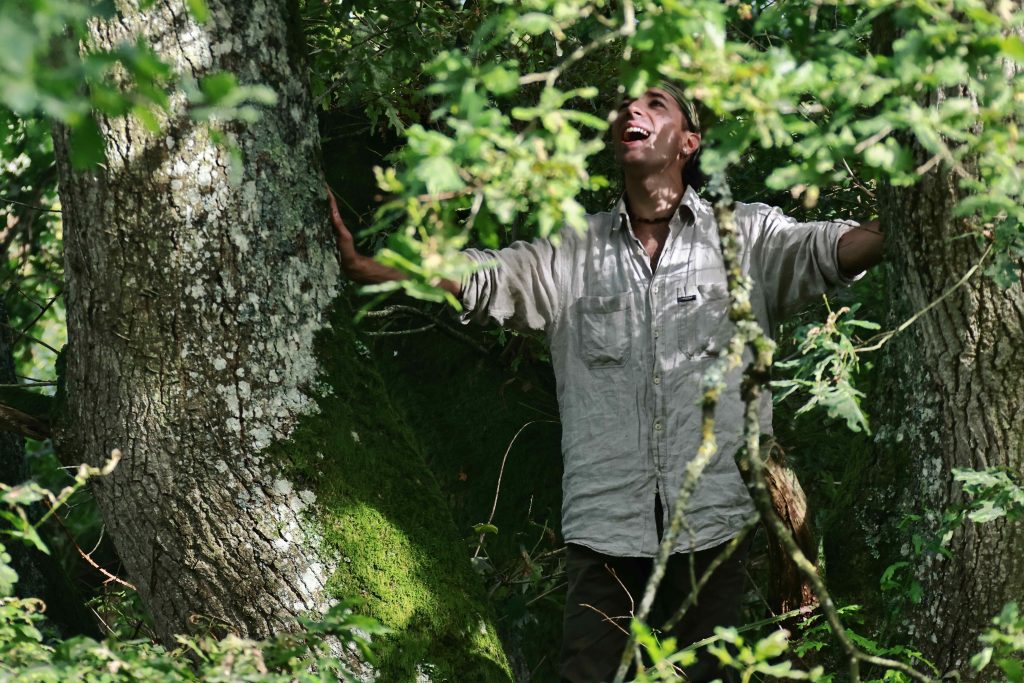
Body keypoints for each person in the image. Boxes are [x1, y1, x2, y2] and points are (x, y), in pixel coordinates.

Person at [328, 83, 883, 682]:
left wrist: (924, 207)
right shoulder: (573, 250)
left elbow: (830, 248)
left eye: (655, 104)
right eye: (624, 106)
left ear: (688, 142)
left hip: (716, 527)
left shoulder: (743, 238)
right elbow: (486, 276)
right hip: (605, 534)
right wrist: (371, 265)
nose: (632, 112)